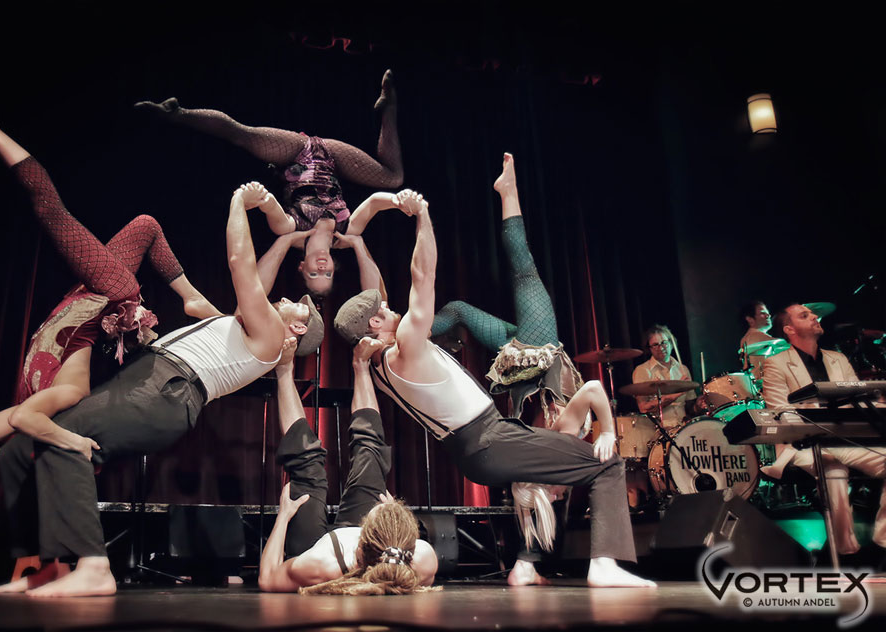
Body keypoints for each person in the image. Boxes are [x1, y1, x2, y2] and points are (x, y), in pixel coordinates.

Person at [333, 159, 654, 588]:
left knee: (549, 471)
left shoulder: (380, 365)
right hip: (490, 437)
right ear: (375, 325)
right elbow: (422, 274)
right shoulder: (406, 345)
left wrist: (372, 217)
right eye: (384, 311)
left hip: (477, 450)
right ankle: (605, 565)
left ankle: (525, 564)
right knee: (607, 465)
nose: (392, 308)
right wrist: (422, 215)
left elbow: (383, 298)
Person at [0, 181, 324, 598]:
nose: (292, 299)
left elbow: (242, 264)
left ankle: (94, 567)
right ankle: (49, 566)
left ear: (296, 329)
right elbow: (241, 287)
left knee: (63, 443)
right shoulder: (243, 325)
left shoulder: (271, 337)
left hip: (166, 389)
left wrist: (240, 201)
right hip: (148, 381)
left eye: (299, 307)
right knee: (19, 451)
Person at [0, 87, 221, 466]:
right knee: (145, 225)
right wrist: (32, 457)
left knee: (54, 210)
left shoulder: (68, 395)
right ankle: (190, 296)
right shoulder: (56, 395)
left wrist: (71, 444)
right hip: (100, 299)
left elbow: (19, 421)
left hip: (104, 295)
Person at [428, 153, 618, 585]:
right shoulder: (525, 465)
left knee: (525, 273)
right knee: (457, 309)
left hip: (539, 352)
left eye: (557, 492)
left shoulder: (561, 443)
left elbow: (591, 388)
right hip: (519, 363)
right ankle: (525, 567)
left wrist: (606, 432)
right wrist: (527, 561)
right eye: (560, 494)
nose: (564, 488)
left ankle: (508, 193)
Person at [135, 70, 407, 297]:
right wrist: (397, 202)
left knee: (242, 135)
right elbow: (373, 203)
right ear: (335, 267)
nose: (321, 267)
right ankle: (389, 106)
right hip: (333, 158)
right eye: (327, 273)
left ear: (302, 267)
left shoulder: (289, 228)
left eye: (314, 273)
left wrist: (264, 202)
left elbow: (269, 204)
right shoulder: (348, 234)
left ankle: (177, 113)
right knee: (393, 177)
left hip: (297, 153)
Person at [258, 337, 437, 594]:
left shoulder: (319, 564)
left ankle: (284, 371)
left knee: (307, 465)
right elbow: (400, 546)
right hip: (375, 549)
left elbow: (268, 579)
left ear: (362, 542)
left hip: (318, 546)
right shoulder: (422, 559)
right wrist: (392, 523)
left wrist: (283, 517)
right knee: (371, 454)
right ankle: (361, 364)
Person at [762, 303, 885, 561]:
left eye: (813, 314)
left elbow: (856, 399)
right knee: (833, 470)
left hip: (844, 439)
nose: (815, 316)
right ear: (789, 329)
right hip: (802, 444)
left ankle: (882, 542)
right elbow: (780, 410)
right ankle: (845, 553)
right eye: (805, 315)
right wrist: (818, 422)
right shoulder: (775, 364)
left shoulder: (837, 359)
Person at [631, 325, 698, 430]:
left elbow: (690, 406)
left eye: (664, 343)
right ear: (649, 348)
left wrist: (699, 405)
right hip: (659, 430)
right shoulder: (642, 370)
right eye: (655, 345)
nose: (661, 348)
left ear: (671, 343)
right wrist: (675, 394)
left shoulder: (683, 369)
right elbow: (643, 408)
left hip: (685, 428)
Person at [739, 300, 774, 378]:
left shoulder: (746, 338)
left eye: (767, 313)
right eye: (762, 313)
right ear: (750, 319)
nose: (768, 315)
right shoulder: (754, 335)